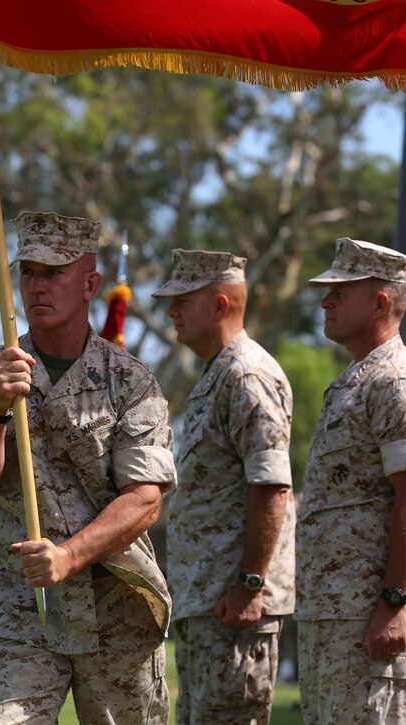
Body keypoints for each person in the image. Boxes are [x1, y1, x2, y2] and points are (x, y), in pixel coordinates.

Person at [0, 211, 176, 723]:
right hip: (22, 611)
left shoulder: (131, 382)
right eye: (26, 272)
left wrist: (69, 556)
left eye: (53, 272)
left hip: (117, 611)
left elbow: (144, 501)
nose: (36, 286)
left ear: (91, 283)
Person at [296, 238, 406, 724]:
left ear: (380, 301)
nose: (326, 301)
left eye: (341, 291)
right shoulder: (354, 381)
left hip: (370, 613)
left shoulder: (398, 381)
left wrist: (394, 602)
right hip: (334, 613)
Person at [153, 249, 296, 724]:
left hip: (236, 609)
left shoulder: (246, 375)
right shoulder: (217, 374)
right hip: (209, 604)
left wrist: (251, 584)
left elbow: (272, 485)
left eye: (183, 300)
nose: (171, 311)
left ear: (219, 304)